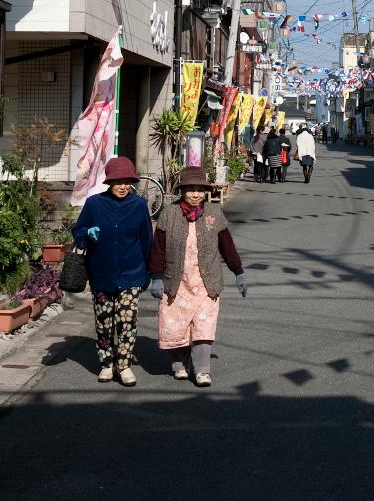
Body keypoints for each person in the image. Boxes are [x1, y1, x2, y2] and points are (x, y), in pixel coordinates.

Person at [148, 167, 246, 387]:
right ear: (182, 191)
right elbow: (158, 249)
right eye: (190, 190)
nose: (195, 194)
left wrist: (238, 271)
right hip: (176, 281)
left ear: (205, 192)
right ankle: (179, 363)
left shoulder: (213, 213)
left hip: (206, 282)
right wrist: (155, 276)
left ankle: (202, 371)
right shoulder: (169, 214)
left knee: (204, 327)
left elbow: (227, 246)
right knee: (175, 326)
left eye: (199, 190)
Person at [71, 156, 153, 386]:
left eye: (128, 181)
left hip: (131, 273)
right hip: (101, 272)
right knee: (104, 322)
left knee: (127, 322)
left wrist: (149, 272)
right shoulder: (95, 203)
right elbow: (78, 231)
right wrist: (87, 234)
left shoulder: (138, 206)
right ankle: (107, 364)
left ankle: (124, 365)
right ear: (109, 182)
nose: (124, 186)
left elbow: (147, 240)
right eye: (118, 181)